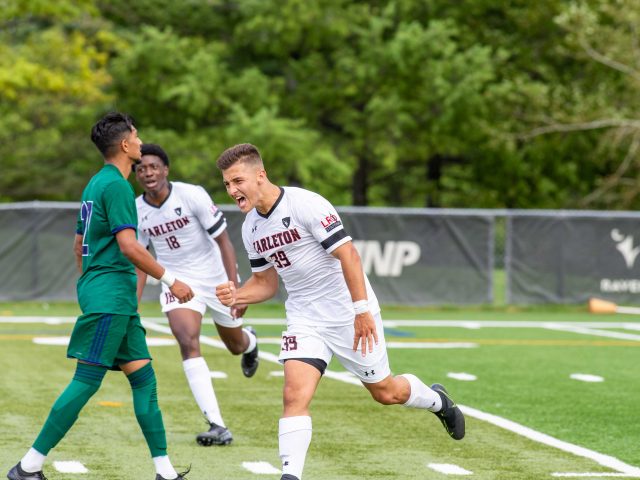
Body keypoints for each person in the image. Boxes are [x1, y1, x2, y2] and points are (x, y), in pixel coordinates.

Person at [214, 144, 465, 480]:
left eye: (237, 181)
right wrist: (238, 295)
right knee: (294, 396)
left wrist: (360, 311)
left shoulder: (306, 204)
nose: (232, 190)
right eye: (227, 184)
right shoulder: (250, 228)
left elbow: (349, 255)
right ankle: (290, 476)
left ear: (260, 175)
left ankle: (437, 401)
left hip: (348, 311)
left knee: (385, 392)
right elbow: (266, 282)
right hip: (304, 318)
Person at [6, 112, 193, 480]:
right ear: (125, 145)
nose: (141, 142)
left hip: (108, 295)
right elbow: (129, 246)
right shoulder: (119, 187)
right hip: (112, 297)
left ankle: (165, 471)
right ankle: (28, 466)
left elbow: (79, 246)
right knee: (86, 381)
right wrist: (171, 280)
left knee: (144, 379)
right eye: (137, 137)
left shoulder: (95, 184)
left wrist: (92, 284)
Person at [134, 143, 259, 446]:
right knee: (188, 341)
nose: (148, 172)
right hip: (177, 282)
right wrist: (132, 305)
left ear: (165, 169)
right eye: (141, 168)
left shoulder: (192, 195)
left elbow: (224, 242)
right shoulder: (136, 209)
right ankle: (217, 425)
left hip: (216, 278)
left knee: (235, 344)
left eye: (153, 166)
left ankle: (250, 342)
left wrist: (235, 288)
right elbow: (140, 259)